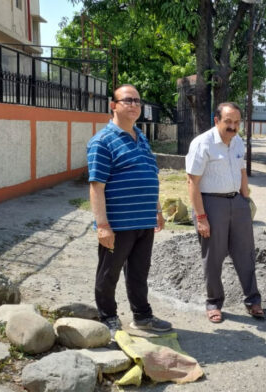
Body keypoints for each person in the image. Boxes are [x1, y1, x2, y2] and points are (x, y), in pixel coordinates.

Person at [87, 84, 173, 336]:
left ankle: (142, 316)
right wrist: (102, 225)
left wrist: (156, 210)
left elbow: (150, 175)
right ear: (113, 105)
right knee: (108, 273)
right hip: (118, 224)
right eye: (128, 100)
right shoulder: (102, 142)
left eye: (137, 100)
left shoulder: (142, 137)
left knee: (139, 273)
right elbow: (96, 187)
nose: (134, 104)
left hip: (144, 221)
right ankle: (108, 317)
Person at [185, 102, 263, 324]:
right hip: (211, 204)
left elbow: (241, 171)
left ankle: (253, 300)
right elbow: (192, 182)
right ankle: (213, 303)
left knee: (245, 253)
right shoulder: (203, 144)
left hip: (237, 203)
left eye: (237, 122)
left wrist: (246, 199)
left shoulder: (237, 141)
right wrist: (201, 217)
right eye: (228, 121)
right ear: (216, 120)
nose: (233, 126)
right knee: (213, 258)